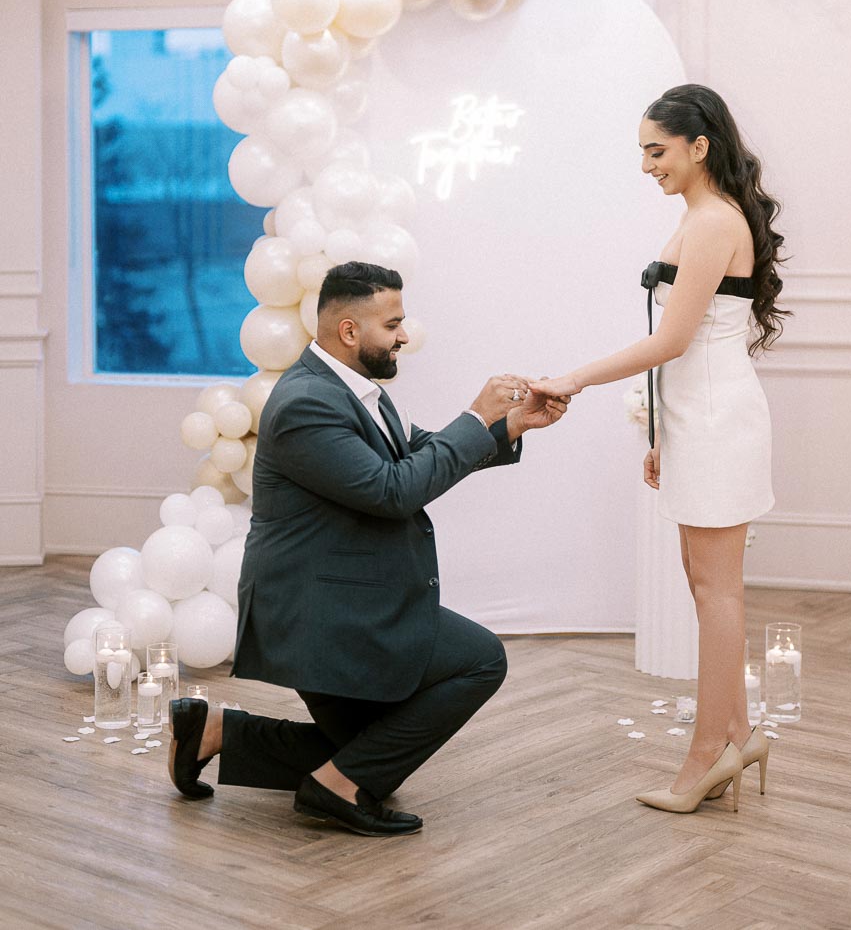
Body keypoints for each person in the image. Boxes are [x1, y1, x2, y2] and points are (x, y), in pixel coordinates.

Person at [168, 261, 570, 835]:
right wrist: (476, 415)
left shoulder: (354, 391)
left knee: (366, 752)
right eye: (394, 323)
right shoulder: (307, 401)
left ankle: (218, 733)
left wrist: (507, 426)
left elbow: (412, 454)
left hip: (347, 599)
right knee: (480, 661)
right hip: (319, 613)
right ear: (350, 331)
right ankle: (334, 788)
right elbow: (393, 490)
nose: (404, 335)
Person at [531, 84, 787, 814]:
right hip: (699, 419)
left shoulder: (712, 223)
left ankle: (710, 753)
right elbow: (690, 347)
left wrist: (575, 377)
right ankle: (738, 731)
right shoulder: (701, 219)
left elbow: (673, 340)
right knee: (706, 584)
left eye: (658, 150)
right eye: (643, 152)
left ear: (699, 146)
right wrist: (661, 432)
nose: (647, 166)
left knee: (717, 590)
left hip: (718, 419)